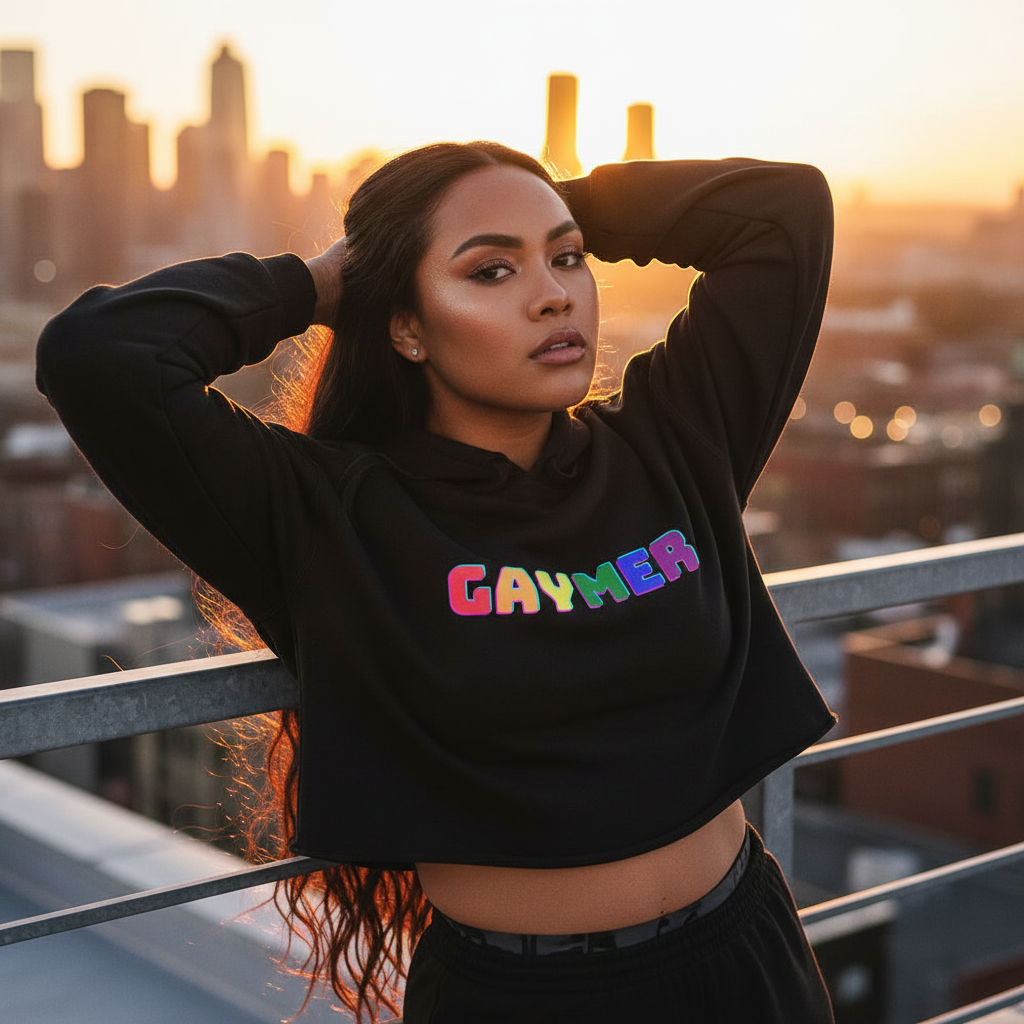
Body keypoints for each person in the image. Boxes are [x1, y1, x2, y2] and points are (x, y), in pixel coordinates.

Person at [36, 141, 837, 1023]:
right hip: (520, 1002)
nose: (554, 293)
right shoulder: (327, 512)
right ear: (406, 327)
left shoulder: (675, 439)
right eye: (490, 271)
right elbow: (97, 356)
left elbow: (782, 210)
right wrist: (329, 280)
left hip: (745, 966)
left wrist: (533, 201)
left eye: (567, 258)